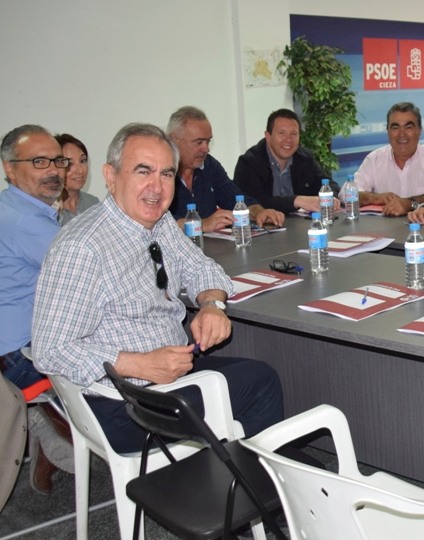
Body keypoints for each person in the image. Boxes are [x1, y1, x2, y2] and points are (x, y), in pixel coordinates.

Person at [32, 123, 283, 454]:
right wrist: (140, 364)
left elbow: (201, 268)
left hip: (165, 378)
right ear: (110, 176)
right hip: (125, 403)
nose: (156, 187)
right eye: (143, 171)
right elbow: (49, 350)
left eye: (166, 174)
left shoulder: (157, 221)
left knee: (257, 372)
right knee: (260, 384)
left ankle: (238, 478)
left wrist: (212, 305)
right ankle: (240, 490)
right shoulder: (83, 247)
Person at [0, 125, 65, 390]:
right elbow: (89, 273)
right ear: (10, 169)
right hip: (16, 358)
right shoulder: (25, 220)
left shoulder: (13, 204)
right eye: (39, 162)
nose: (53, 170)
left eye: (57, 160)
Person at [165, 106, 285, 233]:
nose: (206, 149)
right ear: (174, 139)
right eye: (199, 142)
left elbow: (235, 198)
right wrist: (200, 224)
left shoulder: (209, 165)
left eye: (208, 141)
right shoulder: (159, 173)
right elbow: (155, 222)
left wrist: (259, 212)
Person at [353, 102, 424, 216]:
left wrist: (409, 203)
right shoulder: (374, 159)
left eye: (408, 128)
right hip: (383, 230)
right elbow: (348, 193)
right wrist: (374, 198)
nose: (402, 134)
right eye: (395, 128)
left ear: (419, 130)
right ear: (388, 131)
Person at [232, 108, 336, 215]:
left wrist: (331, 196)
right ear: (268, 136)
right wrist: (296, 201)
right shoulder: (249, 163)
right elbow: (255, 203)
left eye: (294, 134)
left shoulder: (305, 159)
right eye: (281, 133)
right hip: (265, 227)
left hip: (300, 226)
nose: (288, 140)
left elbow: (326, 183)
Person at [55, 133, 101, 226]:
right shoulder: (49, 208)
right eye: (69, 163)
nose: (80, 170)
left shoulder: (93, 203)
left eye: (83, 161)